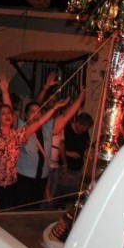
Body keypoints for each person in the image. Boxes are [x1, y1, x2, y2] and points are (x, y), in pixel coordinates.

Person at [0, 74, 70, 210]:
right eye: (3, 113)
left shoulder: (18, 134)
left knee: (7, 214)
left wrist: (54, 108)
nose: (7, 115)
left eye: (9, 114)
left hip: (12, 184)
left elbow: (40, 121)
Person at [14, 73, 86, 210]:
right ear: (25, 115)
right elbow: (36, 103)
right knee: (21, 209)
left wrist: (80, 98)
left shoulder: (47, 127)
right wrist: (45, 88)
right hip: (24, 177)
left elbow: (65, 117)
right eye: (32, 112)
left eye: (39, 112)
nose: (37, 114)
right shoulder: (22, 127)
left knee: (34, 208)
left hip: (42, 178)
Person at [55, 112, 94, 209]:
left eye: (87, 128)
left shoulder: (85, 133)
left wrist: (87, 153)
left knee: (73, 194)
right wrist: (68, 153)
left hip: (77, 167)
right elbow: (58, 146)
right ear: (77, 122)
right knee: (61, 192)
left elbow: (86, 145)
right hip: (65, 166)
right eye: (83, 127)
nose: (85, 130)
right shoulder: (66, 129)